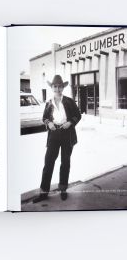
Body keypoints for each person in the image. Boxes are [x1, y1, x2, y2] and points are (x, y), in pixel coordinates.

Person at [33, 74, 81, 203]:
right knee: (48, 162)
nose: (57, 89)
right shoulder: (49, 103)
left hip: (67, 134)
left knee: (65, 163)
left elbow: (78, 114)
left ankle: (63, 189)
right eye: (55, 86)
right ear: (52, 88)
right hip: (53, 135)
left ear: (63, 88)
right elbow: (44, 118)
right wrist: (48, 123)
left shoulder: (69, 101)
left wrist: (70, 123)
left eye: (60, 87)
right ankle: (43, 193)